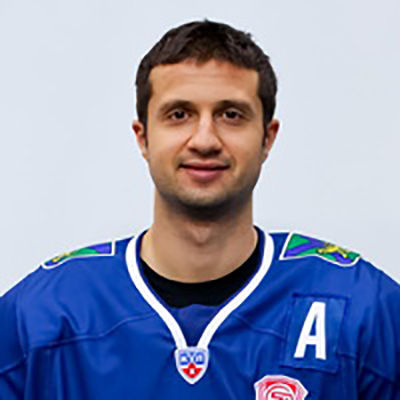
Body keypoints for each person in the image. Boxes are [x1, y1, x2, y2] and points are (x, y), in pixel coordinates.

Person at [0, 19, 399, 400]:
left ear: (267, 138)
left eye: (231, 115)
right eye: (179, 115)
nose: (205, 140)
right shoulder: (41, 314)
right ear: (143, 137)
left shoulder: (362, 306)